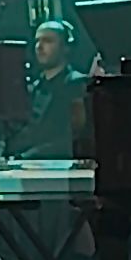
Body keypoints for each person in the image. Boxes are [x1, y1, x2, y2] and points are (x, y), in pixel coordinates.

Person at [11, 20, 89, 158]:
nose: (39, 46)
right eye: (37, 41)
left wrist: (31, 155)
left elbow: (73, 137)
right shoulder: (34, 88)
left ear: (66, 47)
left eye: (47, 41)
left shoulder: (77, 85)